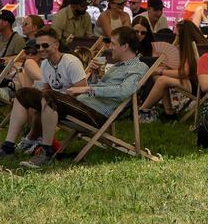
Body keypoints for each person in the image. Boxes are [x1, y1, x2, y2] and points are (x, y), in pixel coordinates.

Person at [21, 26, 152, 166]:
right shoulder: (116, 67)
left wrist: (87, 89)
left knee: (50, 96)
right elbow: (100, 87)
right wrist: (95, 76)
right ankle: (12, 146)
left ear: (125, 46)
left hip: (95, 115)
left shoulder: (138, 67)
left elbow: (124, 91)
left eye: (113, 43)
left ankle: (45, 152)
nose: (110, 47)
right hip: (84, 106)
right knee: (25, 94)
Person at [0, 28, 87, 158]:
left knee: (46, 99)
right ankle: (8, 146)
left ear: (56, 45)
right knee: (22, 94)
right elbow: (46, 88)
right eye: (38, 46)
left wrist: (58, 95)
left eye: (45, 45)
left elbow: (82, 90)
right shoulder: (45, 64)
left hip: (74, 106)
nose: (40, 49)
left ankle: (41, 146)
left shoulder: (70, 62)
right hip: (53, 103)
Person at [143, 18, 206, 117]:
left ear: (183, 37)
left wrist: (161, 71)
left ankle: (142, 110)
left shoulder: (190, 49)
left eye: (177, 35)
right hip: (199, 82)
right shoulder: (201, 46)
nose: (175, 37)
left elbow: (185, 72)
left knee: (161, 80)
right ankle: (169, 112)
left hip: (198, 86)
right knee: (158, 77)